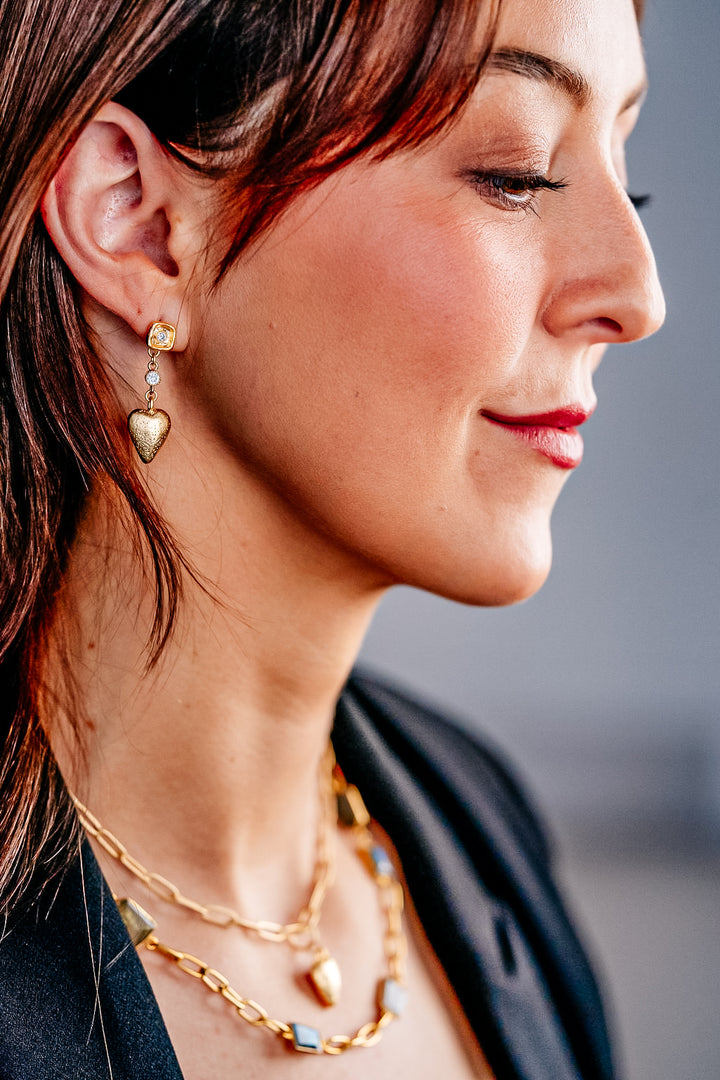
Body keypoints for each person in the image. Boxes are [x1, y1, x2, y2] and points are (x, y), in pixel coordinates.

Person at [0, 0, 664, 1076]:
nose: (638, 295)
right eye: (522, 171)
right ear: (137, 218)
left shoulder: (476, 831)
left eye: (627, 177)